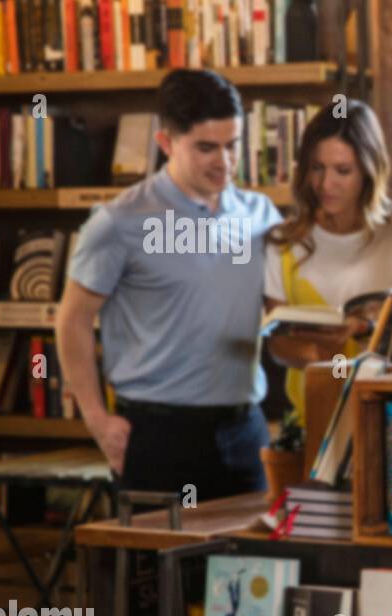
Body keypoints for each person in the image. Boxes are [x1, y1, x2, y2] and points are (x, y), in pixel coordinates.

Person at [57, 69, 282, 502]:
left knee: (248, 565)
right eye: (206, 147)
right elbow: (72, 321)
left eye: (233, 145)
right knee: (159, 569)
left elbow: (283, 311)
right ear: (166, 143)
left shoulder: (262, 215)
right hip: (158, 436)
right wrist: (97, 422)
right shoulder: (118, 222)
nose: (224, 161)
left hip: (246, 429)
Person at [263, 99, 392, 427]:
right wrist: (323, 351)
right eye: (317, 168)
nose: (326, 185)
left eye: (343, 171)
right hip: (311, 422)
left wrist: (371, 330)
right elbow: (279, 345)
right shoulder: (283, 242)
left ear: (370, 170)